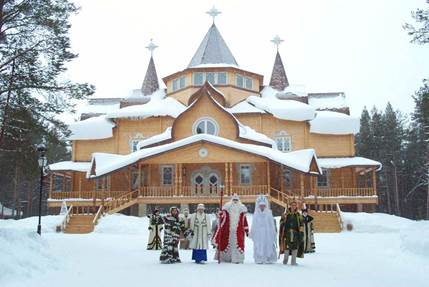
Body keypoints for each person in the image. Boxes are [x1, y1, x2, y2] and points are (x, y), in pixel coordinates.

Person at [214, 194, 249, 264]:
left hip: (238, 232)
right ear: (232, 201)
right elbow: (223, 217)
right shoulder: (227, 208)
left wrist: (246, 230)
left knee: (237, 245)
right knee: (227, 244)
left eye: (236, 200)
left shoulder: (241, 210)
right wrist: (220, 215)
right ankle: (227, 258)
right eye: (234, 200)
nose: (235, 202)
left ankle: (237, 259)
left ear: (238, 201)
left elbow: (244, 221)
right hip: (228, 231)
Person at [249, 195, 277, 264]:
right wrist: (252, 232)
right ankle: (259, 258)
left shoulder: (269, 213)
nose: (262, 206)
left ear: (265, 205)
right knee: (259, 245)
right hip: (259, 233)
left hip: (267, 233)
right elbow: (254, 224)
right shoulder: (256, 214)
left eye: (263, 205)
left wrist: (273, 232)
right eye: (261, 205)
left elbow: (271, 224)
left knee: (267, 245)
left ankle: (268, 258)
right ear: (258, 206)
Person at [279, 201, 304, 266]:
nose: (293, 206)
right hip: (287, 233)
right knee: (287, 247)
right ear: (290, 206)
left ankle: (293, 261)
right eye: (292, 205)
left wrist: (301, 233)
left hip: (295, 234)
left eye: (295, 205)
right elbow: (281, 222)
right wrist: (283, 221)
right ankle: (285, 261)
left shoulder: (298, 215)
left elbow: (301, 225)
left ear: (296, 206)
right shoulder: (286, 214)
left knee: (294, 247)